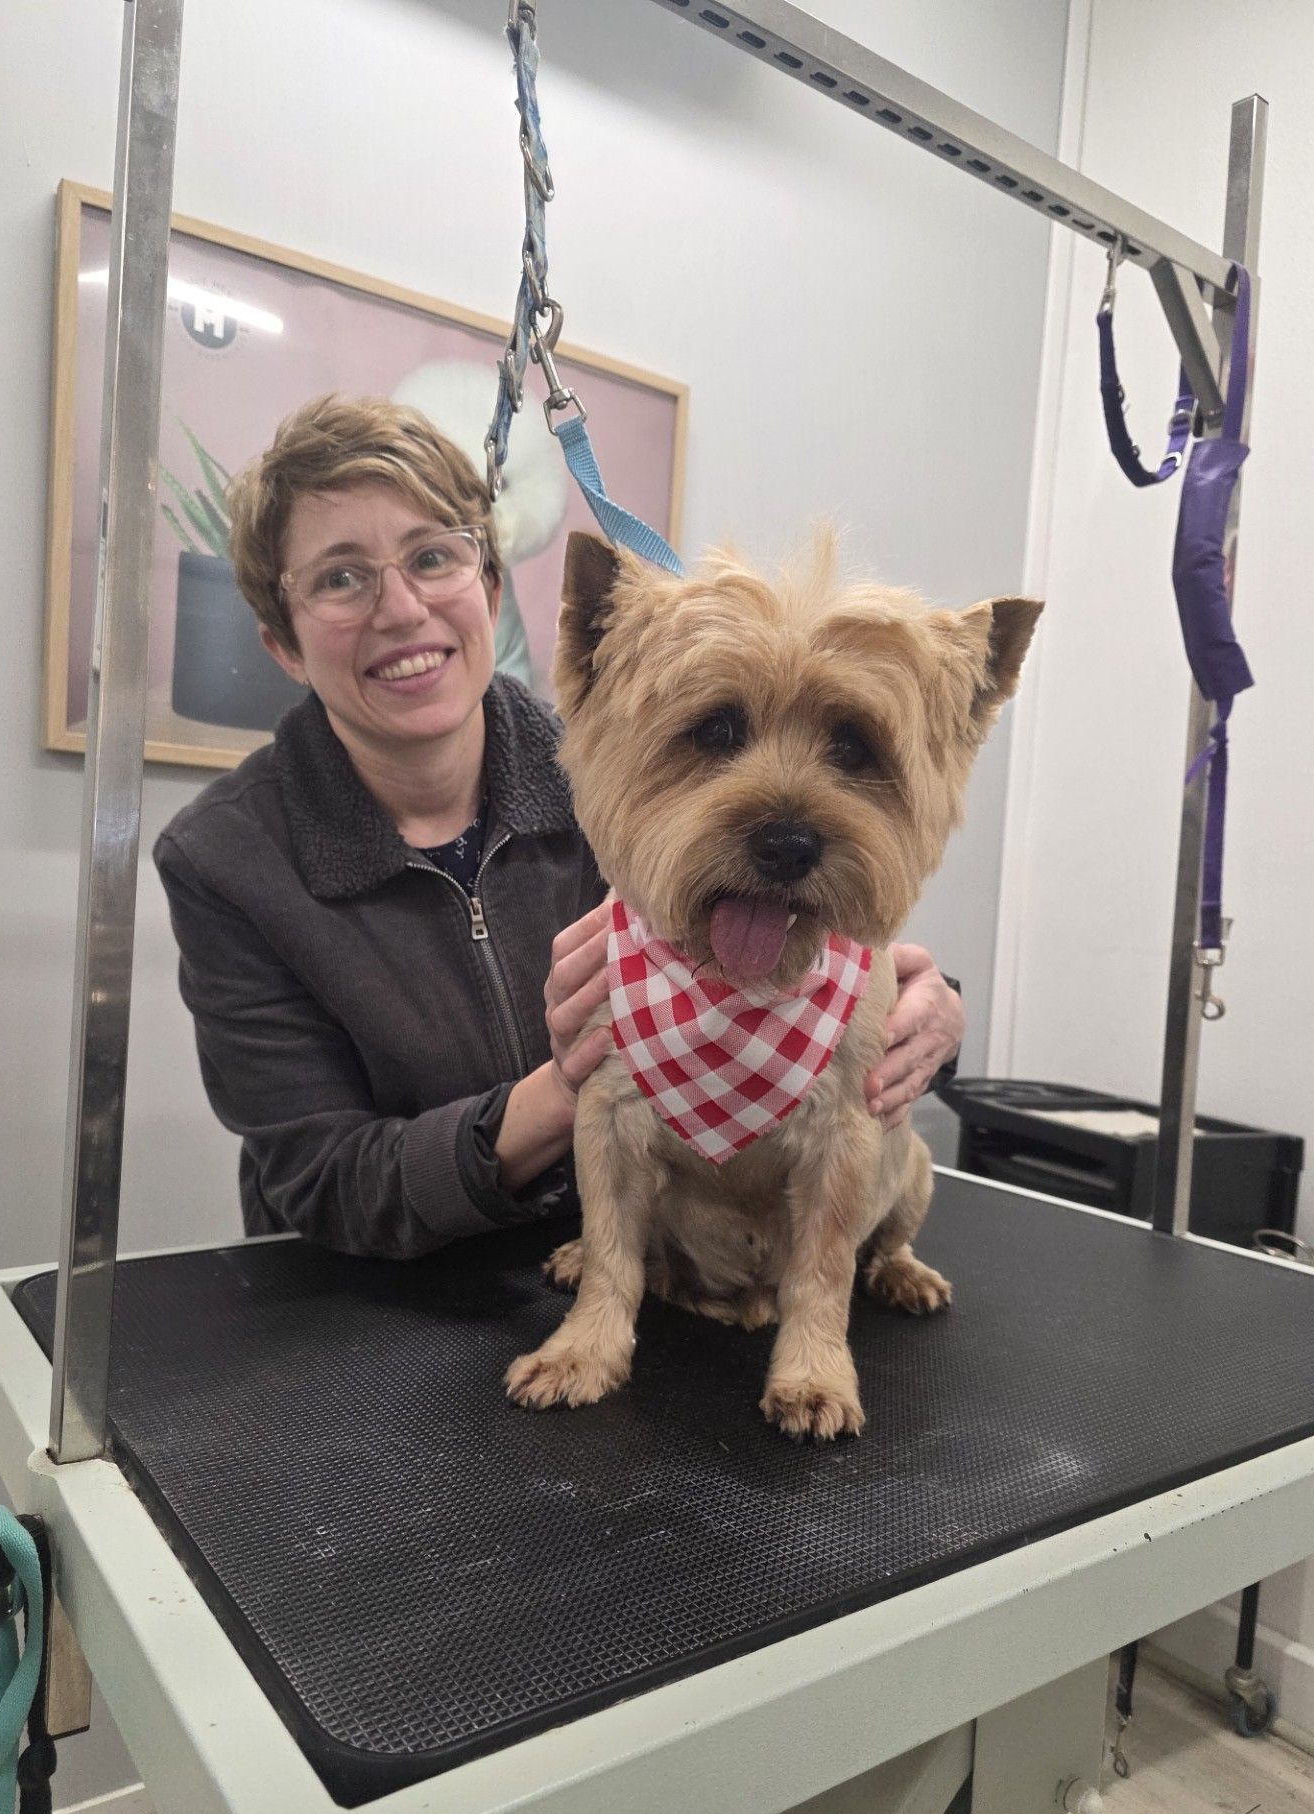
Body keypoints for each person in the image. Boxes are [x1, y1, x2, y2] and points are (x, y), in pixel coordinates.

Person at [153, 395, 965, 1262]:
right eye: (341, 577)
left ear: (490, 588)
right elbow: (324, 1179)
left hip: (636, 1271)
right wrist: (563, 1093)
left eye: (434, 557)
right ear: (281, 641)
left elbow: (813, 945)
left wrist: (929, 1012)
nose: (400, 610)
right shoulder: (229, 862)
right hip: (365, 1304)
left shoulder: (635, 768)